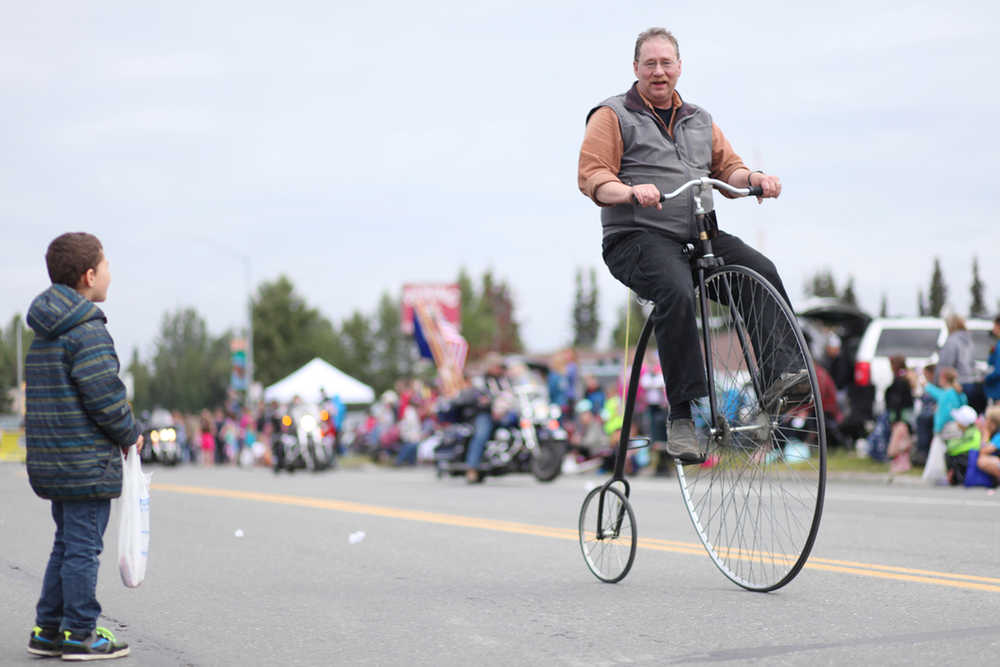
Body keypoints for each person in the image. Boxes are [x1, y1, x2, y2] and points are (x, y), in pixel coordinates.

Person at [578, 28, 799, 464]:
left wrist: (753, 180)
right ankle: (682, 418)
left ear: (679, 67)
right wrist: (629, 191)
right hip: (637, 238)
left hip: (699, 236)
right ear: (636, 68)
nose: (659, 72)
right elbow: (593, 176)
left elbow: (729, 170)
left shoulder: (700, 119)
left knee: (759, 269)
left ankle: (782, 377)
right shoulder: (612, 115)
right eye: (650, 64)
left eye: (666, 63)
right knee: (676, 292)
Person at [24, 233, 140, 660]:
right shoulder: (85, 330)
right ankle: (80, 632)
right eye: (106, 265)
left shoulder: (45, 332)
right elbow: (105, 396)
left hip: (55, 461)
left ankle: (48, 629)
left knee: (67, 543)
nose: (110, 273)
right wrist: (130, 432)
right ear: (89, 275)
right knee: (83, 548)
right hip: (85, 462)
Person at [936, 314, 984, 414]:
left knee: (956, 416)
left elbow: (946, 364)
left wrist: (937, 382)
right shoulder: (969, 340)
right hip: (972, 382)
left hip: (957, 384)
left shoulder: (952, 341)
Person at [984, 316, 1000, 406]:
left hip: (997, 392)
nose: (993, 329)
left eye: (994, 326)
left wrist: (985, 378)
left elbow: (998, 371)